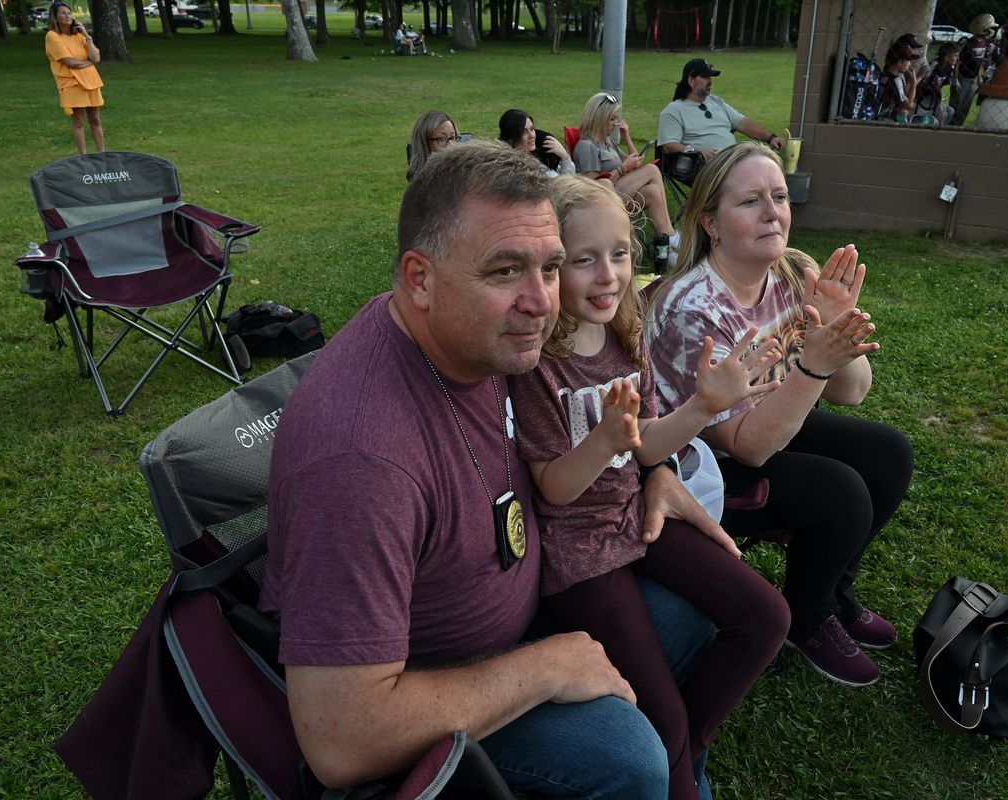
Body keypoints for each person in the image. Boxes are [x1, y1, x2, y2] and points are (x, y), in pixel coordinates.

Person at [260, 139, 731, 798]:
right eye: (506, 270)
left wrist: (653, 469)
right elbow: (340, 737)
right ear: (419, 278)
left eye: (550, 266)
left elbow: (583, 425)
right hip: (439, 682)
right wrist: (541, 669)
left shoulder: (479, 341)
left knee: (701, 611)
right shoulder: (360, 457)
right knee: (631, 758)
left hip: (536, 596)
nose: (542, 301)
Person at [507, 175, 790, 800]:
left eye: (620, 254)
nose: (608, 275)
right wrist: (604, 442)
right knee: (661, 719)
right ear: (551, 268)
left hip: (636, 519)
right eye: (584, 260)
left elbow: (648, 446)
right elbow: (553, 489)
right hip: (580, 556)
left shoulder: (622, 336)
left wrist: (699, 407)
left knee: (765, 617)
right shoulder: (537, 363)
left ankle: (689, 753)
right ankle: (680, 764)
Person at [647, 142, 914, 688]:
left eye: (780, 196)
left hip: (770, 420)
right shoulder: (694, 307)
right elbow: (745, 445)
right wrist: (813, 367)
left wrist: (837, 328)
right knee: (840, 490)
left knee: (889, 453)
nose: (773, 211)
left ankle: (833, 593)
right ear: (711, 224)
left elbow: (853, 393)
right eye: (751, 201)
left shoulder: (789, 275)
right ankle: (808, 619)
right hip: (700, 466)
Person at [573, 91, 680, 270]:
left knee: (652, 192)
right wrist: (623, 169)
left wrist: (627, 137)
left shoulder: (607, 142)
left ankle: (666, 248)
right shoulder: (586, 146)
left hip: (619, 192)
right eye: (612, 119)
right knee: (653, 169)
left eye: (616, 119)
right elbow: (591, 186)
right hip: (603, 200)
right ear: (599, 118)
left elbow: (635, 164)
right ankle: (672, 237)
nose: (615, 124)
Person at [657, 59, 786, 165]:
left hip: (732, 160)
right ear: (691, 80)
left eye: (710, 77)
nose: (710, 81)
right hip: (706, 166)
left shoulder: (715, 101)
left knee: (767, 165)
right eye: (705, 77)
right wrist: (699, 153)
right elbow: (669, 145)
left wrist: (770, 138)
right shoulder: (674, 110)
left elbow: (743, 123)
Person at [45, 1, 104, 155]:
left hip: (91, 81)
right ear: (55, 17)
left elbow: (96, 57)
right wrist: (88, 63)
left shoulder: (79, 35)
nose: (67, 15)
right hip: (72, 82)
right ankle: (83, 157)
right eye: (63, 13)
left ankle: (102, 153)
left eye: (69, 13)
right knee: (78, 121)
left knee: (95, 120)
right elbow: (69, 62)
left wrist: (86, 35)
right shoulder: (52, 36)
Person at [498, 108, 576, 177]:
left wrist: (564, 156)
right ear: (512, 136)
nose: (532, 135)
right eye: (524, 132)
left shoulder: (537, 156)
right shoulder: (517, 167)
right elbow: (564, 188)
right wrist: (565, 158)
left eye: (532, 129)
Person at [952, 14, 998, 126]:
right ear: (983, 27)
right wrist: (955, 78)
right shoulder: (968, 43)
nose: (992, 30)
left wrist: (979, 76)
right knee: (956, 106)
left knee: (966, 107)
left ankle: (958, 127)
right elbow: (958, 61)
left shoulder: (985, 42)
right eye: (990, 28)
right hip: (963, 78)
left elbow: (981, 62)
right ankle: (949, 126)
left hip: (974, 79)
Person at [406, 109, 459, 181]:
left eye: (453, 137)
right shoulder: (422, 185)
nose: (451, 145)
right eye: (442, 139)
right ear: (425, 143)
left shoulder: (464, 172)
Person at [877, 43, 921, 122]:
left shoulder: (884, 74)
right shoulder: (896, 80)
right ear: (900, 62)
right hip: (885, 119)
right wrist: (913, 81)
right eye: (908, 60)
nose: (910, 64)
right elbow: (909, 105)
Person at [918, 43, 960, 124]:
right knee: (941, 109)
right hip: (925, 95)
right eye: (955, 55)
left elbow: (943, 85)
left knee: (951, 111)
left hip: (935, 96)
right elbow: (924, 82)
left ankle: (940, 127)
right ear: (946, 57)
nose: (957, 58)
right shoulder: (935, 65)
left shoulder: (950, 68)